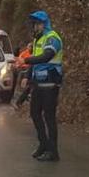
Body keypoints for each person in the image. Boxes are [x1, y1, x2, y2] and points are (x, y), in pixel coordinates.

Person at [16, 10, 64, 162]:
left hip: (50, 84)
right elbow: (35, 61)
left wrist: (26, 61)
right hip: (38, 84)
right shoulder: (38, 40)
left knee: (49, 117)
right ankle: (43, 144)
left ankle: (53, 151)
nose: (34, 27)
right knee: (35, 114)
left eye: (36, 24)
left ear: (43, 24)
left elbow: (46, 56)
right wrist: (27, 77)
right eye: (33, 24)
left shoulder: (52, 38)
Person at [11, 42, 33, 110]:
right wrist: (18, 66)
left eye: (31, 47)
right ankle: (18, 101)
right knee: (23, 86)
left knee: (28, 87)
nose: (30, 48)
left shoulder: (34, 54)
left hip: (29, 69)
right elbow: (19, 61)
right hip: (23, 69)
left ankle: (20, 100)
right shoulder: (24, 53)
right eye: (29, 47)